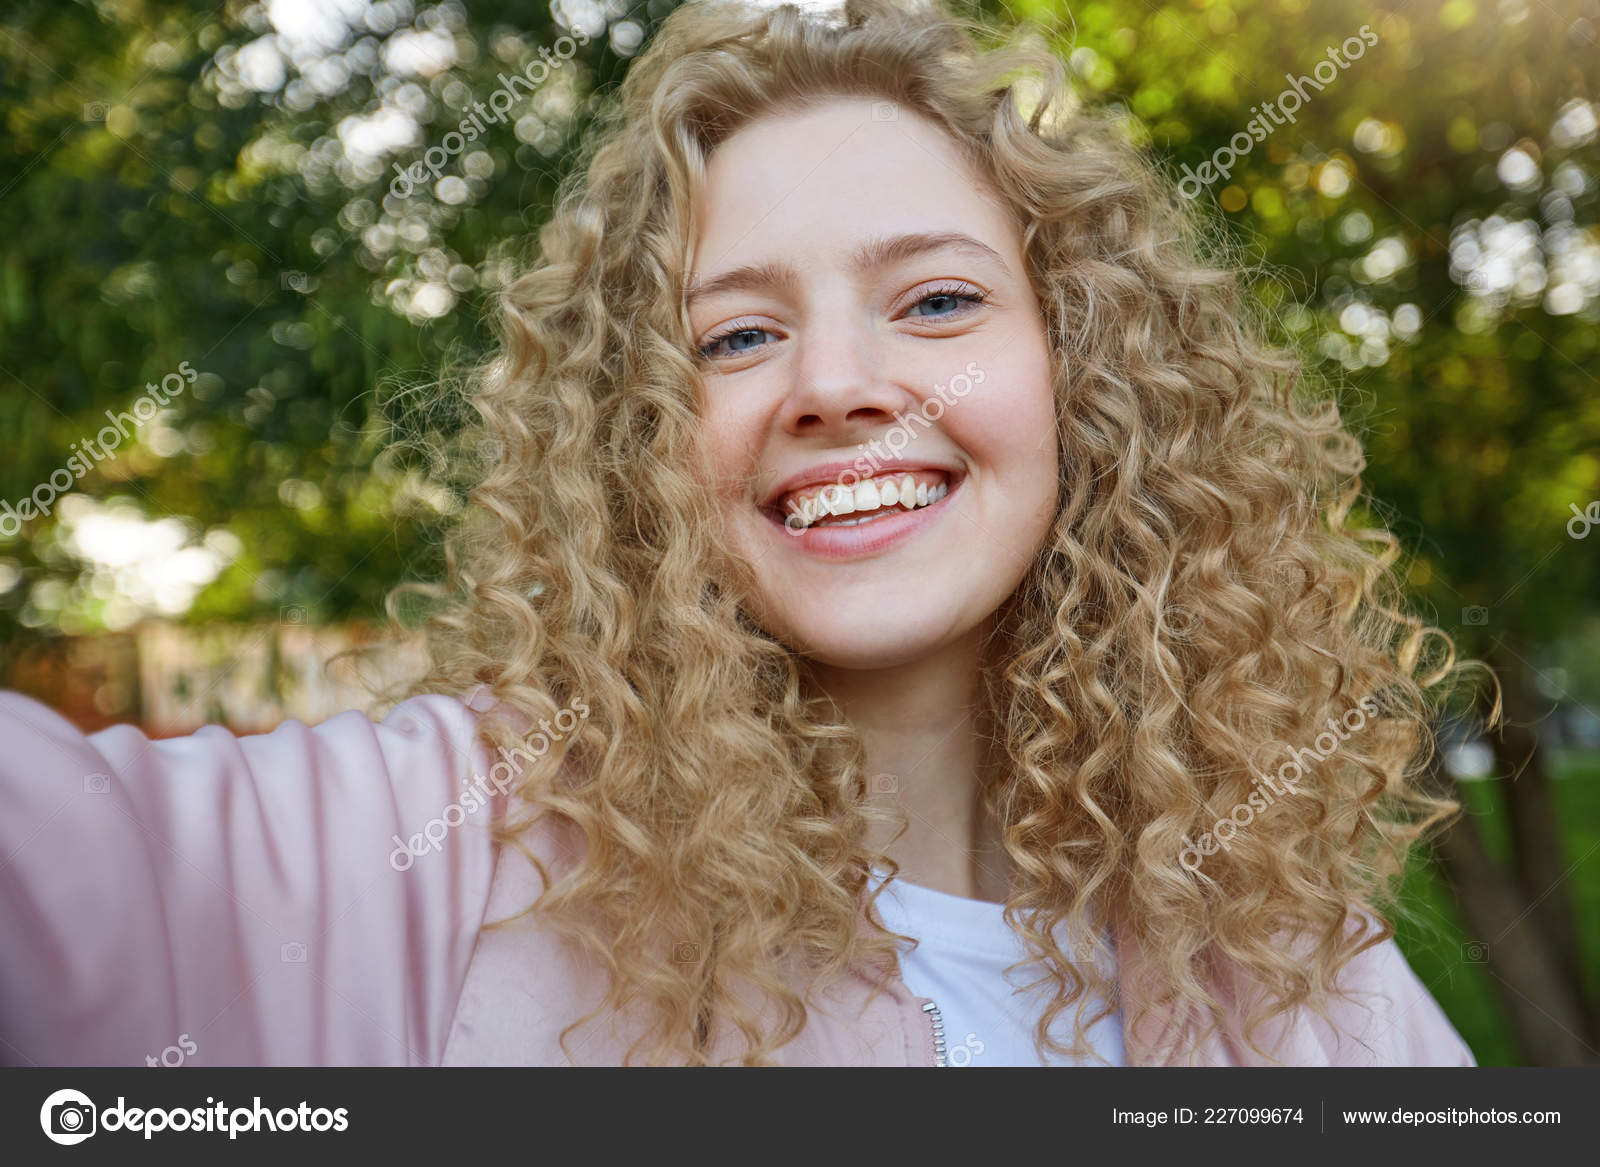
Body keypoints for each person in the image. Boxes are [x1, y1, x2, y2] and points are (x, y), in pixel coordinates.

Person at [0, 0, 1480, 1067]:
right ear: (636, 436)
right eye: (735, 336)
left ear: (1085, 376)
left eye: (938, 301)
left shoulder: (1292, 975)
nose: (832, 384)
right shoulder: (431, 844)